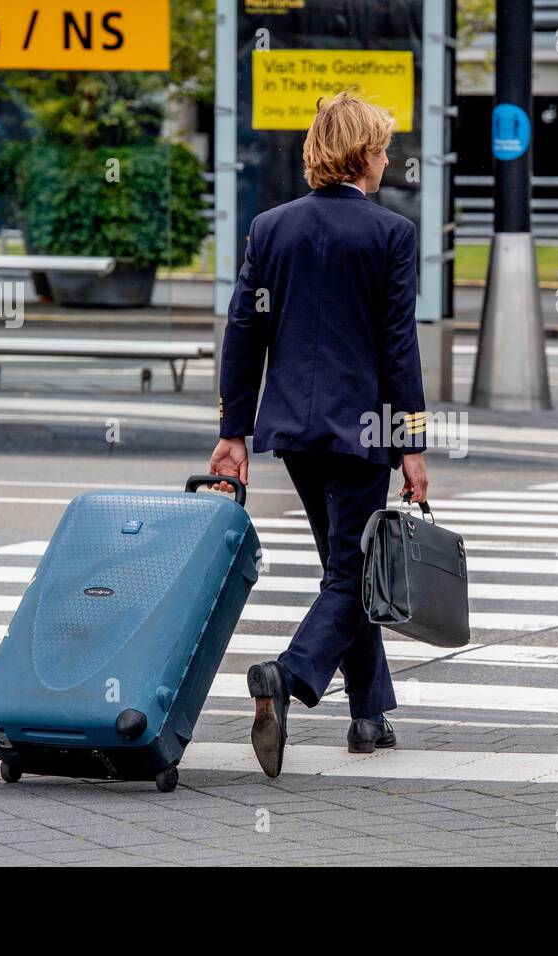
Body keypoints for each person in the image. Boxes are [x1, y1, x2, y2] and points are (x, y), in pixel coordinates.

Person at [209, 90, 429, 779]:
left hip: (294, 434)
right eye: (385, 148)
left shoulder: (271, 228)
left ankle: (369, 714)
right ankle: (290, 673)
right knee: (352, 572)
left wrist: (233, 433)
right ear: (363, 153)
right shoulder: (390, 235)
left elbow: (244, 331)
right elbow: (399, 347)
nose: (390, 160)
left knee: (346, 568)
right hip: (359, 429)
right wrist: (412, 442)